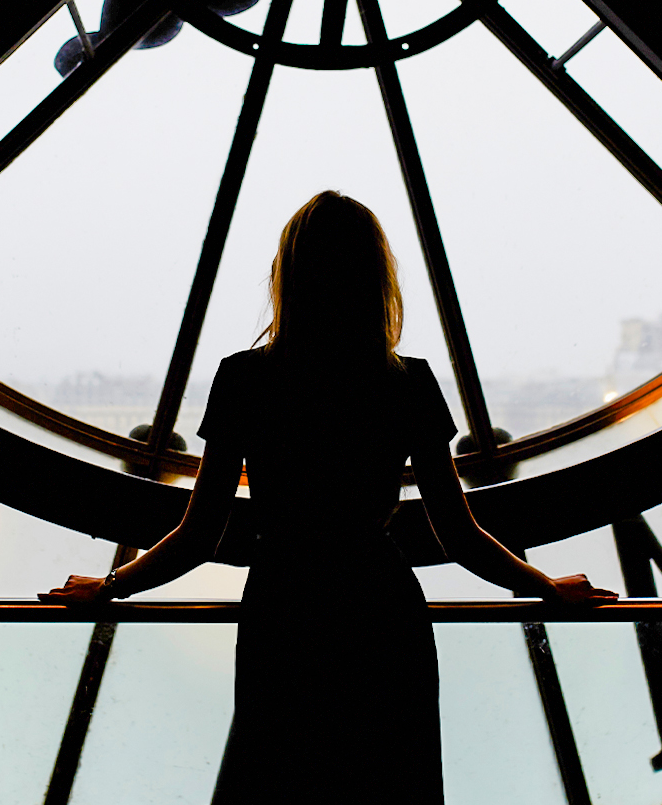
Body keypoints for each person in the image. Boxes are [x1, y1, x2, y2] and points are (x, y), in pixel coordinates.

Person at [45, 191, 616, 802]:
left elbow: (200, 532)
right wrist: (544, 586)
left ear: (287, 273)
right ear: (377, 276)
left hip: (285, 603)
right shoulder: (409, 382)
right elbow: (458, 532)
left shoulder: (244, 379)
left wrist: (110, 586)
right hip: (381, 603)